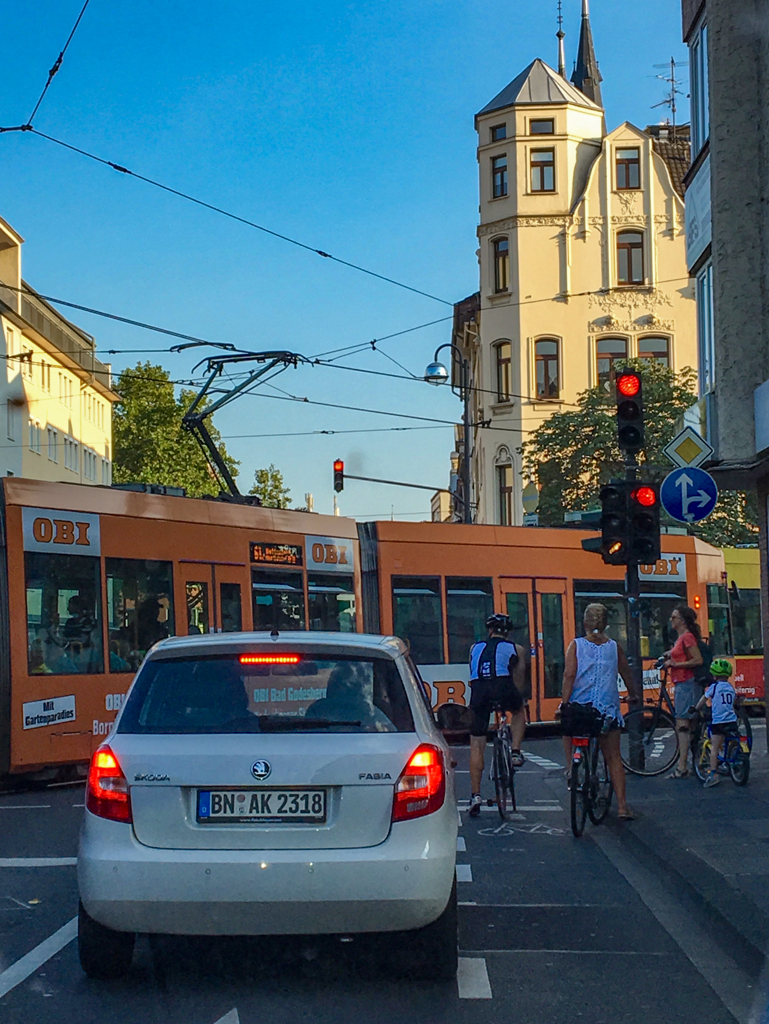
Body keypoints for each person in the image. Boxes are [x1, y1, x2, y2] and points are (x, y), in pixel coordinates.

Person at [560, 603, 635, 821]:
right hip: (606, 712)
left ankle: (569, 769)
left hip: (580, 710)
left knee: (567, 728)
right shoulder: (614, 647)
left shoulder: (576, 646)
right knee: (613, 757)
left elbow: (569, 675)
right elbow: (626, 672)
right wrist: (632, 694)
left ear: (585, 622)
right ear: (605, 624)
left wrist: (564, 703)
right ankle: (622, 806)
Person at [467, 613, 526, 817]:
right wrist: (515, 698)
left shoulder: (475, 648)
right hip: (503, 686)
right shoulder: (515, 649)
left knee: (476, 743)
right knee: (519, 710)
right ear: (507, 633)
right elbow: (518, 681)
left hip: (479, 691)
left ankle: (475, 795)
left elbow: (472, 673)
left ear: (489, 631)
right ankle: (516, 751)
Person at [663, 605, 704, 779]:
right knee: (689, 725)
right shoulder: (682, 637)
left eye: (674, 617)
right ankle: (694, 762)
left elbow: (698, 659)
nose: (671, 620)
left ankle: (682, 766)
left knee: (682, 724)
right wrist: (669, 655)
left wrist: (675, 664)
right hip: (684, 683)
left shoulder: (687, 637)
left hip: (687, 683)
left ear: (682, 621)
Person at [695, 658, 740, 788]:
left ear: (714, 675)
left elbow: (704, 699)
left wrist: (696, 708)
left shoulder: (714, 687)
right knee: (729, 740)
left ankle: (713, 774)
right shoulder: (730, 688)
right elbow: (735, 701)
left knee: (714, 747)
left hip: (718, 722)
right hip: (732, 721)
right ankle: (729, 762)